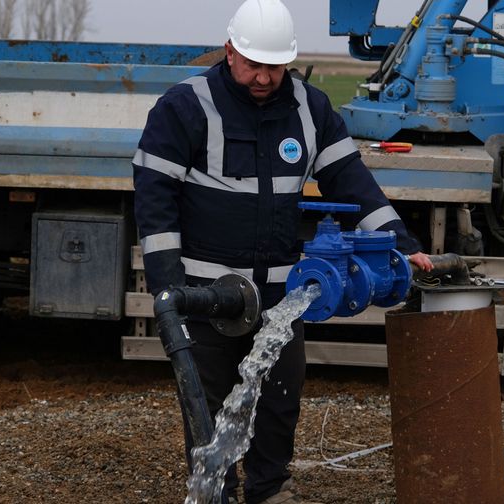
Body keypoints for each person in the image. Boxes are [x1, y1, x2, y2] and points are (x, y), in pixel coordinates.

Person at [132, 1, 433, 502]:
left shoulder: (310, 109)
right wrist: (170, 292)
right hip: (205, 293)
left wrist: (403, 246)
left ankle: (269, 490)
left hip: (279, 294)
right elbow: (154, 199)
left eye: (275, 66)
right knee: (205, 405)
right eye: (253, 64)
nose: (264, 77)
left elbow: (354, 183)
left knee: (279, 399)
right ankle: (216, 494)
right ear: (230, 52)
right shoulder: (185, 107)